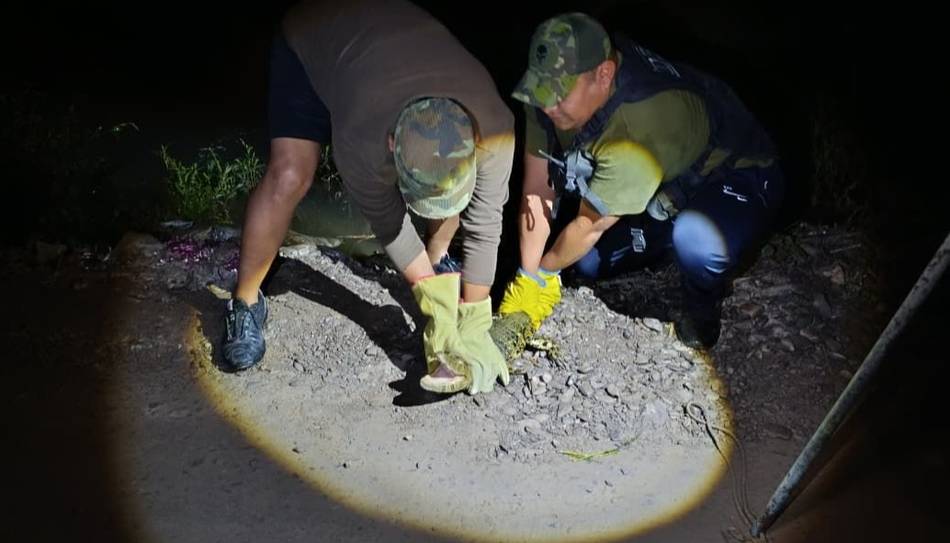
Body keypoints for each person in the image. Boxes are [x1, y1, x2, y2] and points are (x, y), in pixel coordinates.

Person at [223, 0, 515, 395]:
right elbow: (390, 223)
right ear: (392, 144)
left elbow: (485, 224)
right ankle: (244, 303)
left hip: (396, 37)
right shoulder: (361, 139)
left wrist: (474, 317)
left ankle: (437, 262)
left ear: (476, 142)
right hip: (313, 41)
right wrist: (430, 300)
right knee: (291, 174)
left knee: (448, 193)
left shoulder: (496, 129)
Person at [499, 12, 785, 349]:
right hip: (665, 187)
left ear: (604, 74)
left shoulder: (636, 130)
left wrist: (544, 277)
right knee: (588, 264)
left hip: (737, 174)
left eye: (559, 94)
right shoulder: (548, 95)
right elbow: (537, 187)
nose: (548, 106)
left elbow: (589, 226)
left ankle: (702, 306)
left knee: (696, 241)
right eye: (542, 92)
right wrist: (527, 275)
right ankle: (662, 236)